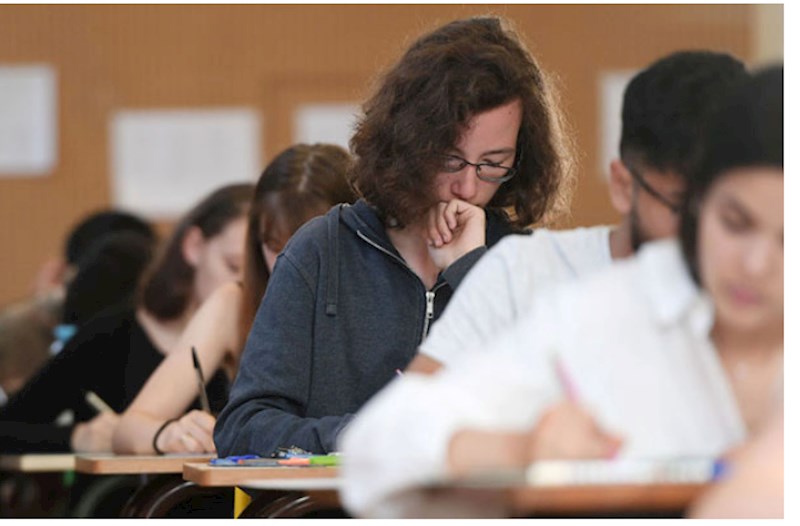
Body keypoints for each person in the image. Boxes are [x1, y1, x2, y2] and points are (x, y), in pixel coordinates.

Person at [339, 66, 783, 518]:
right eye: (735, 223)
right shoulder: (607, 307)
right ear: (699, 206)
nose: (756, 264)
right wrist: (523, 448)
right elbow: (378, 446)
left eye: (790, 239)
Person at [214, 16, 574, 457]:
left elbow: (555, 414)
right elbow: (244, 426)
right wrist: (371, 435)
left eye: (493, 163)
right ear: (410, 146)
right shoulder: (321, 252)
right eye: (451, 159)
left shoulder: (520, 261)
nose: (468, 188)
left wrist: (471, 273)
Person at [407, 50, 747, 374]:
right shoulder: (527, 273)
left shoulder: (758, 299)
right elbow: (399, 422)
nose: (707, 236)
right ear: (623, 186)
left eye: (735, 218)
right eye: (682, 208)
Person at [112, 143, 357, 455]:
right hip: (267, 499)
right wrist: (168, 433)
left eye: (309, 248)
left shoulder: (385, 298)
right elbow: (128, 428)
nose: (289, 262)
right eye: (273, 245)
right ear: (256, 243)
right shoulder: (234, 303)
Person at [0, 183, 252, 453]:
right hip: (122, 493)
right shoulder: (110, 335)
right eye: (234, 266)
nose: (244, 286)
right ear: (194, 246)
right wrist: (75, 436)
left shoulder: (261, 341)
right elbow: (9, 427)